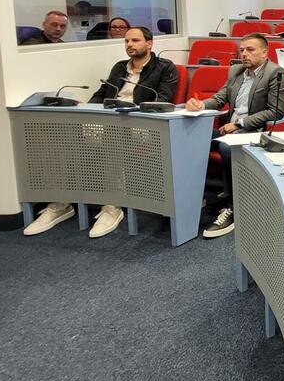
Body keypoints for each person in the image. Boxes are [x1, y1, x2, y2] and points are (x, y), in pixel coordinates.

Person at [24, 26, 182, 238]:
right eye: (126, 41)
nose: (129, 45)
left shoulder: (164, 67)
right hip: (111, 118)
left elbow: (163, 99)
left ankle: (112, 205)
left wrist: (128, 110)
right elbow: (101, 93)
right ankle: (62, 201)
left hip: (142, 122)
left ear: (149, 43)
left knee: (111, 140)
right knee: (64, 135)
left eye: (135, 40)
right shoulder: (119, 67)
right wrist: (88, 112)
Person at [186, 33, 284, 238]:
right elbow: (219, 98)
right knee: (190, 139)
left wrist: (239, 123)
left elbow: (275, 111)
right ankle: (192, 194)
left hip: (256, 131)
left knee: (226, 147)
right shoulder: (236, 71)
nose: (244, 54)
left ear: (264, 52)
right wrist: (200, 105)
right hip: (231, 128)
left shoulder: (275, 73)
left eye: (250, 50)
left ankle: (233, 206)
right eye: (241, 50)